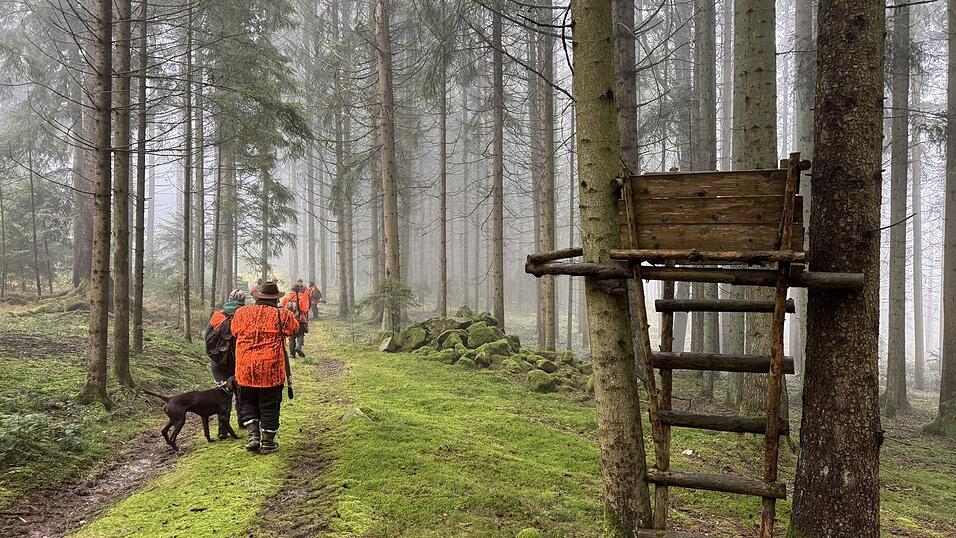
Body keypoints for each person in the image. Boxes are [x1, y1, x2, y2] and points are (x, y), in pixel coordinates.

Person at [229, 280, 298, 454]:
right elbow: (294, 329)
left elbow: (234, 331)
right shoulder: (282, 315)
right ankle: (267, 443)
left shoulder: (241, 313)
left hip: (245, 367)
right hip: (271, 368)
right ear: (275, 299)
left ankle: (253, 436)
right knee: (270, 404)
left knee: (248, 401)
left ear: (258, 297)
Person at [205, 289, 246, 438]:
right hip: (239, 362)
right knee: (241, 392)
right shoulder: (245, 315)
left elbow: (207, 337)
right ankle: (244, 421)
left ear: (229, 299)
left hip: (219, 363)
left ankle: (223, 430)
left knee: (223, 395)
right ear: (243, 302)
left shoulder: (217, 315)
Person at [281, 279, 311, 357]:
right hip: (300, 319)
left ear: (292, 289)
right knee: (300, 334)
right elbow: (305, 309)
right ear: (299, 290)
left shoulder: (287, 298)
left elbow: (284, 309)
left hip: (290, 319)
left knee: (292, 336)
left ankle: (292, 353)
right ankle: (298, 347)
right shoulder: (302, 298)